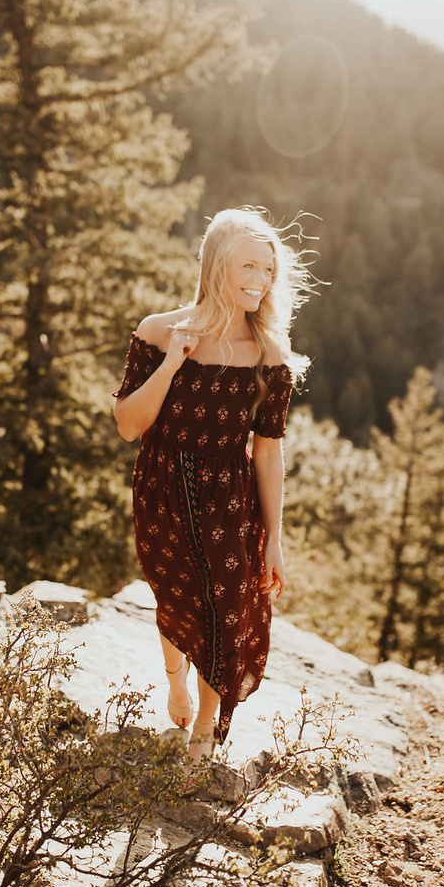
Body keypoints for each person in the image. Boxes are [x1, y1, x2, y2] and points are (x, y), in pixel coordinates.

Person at [113, 207, 311, 762]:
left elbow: (268, 454)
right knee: (176, 595)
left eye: (268, 269)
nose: (260, 279)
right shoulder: (157, 332)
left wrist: (275, 538)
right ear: (216, 263)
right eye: (249, 265)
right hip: (161, 488)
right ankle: (175, 677)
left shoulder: (271, 356)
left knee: (222, 607)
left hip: (230, 496)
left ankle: (205, 720)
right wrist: (172, 363)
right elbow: (130, 425)